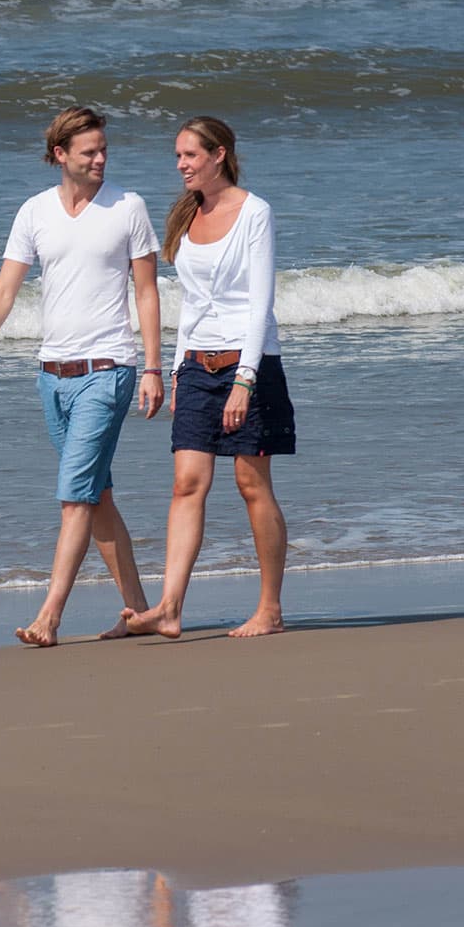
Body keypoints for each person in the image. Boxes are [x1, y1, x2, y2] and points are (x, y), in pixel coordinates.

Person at [0, 106, 165, 647]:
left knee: (74, 496)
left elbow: (146, 291)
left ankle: (49, 616)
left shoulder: (128, 207)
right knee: (96, 498)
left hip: (109, 369)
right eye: (88, 152)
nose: (99, 159)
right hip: (52, 376)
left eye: (103, 150)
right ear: (60, 156)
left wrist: (150, 366)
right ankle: (141, 610)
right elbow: (5, 289)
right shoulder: (35, 212)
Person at [111, 115, 295, 641]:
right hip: (196, 365)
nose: (181, 165)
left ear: (219, 154)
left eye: (189, 155)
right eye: (177, 156)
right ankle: (169, 608)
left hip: (249, 362)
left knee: (251, 484)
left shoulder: (254, 212)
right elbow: (190, 303)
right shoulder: (186, 214)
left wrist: (245, 380)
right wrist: (173, 369)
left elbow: (261, 302)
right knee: (186, 483)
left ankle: (270, 609)